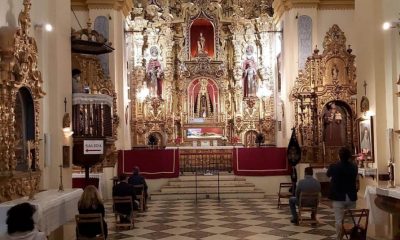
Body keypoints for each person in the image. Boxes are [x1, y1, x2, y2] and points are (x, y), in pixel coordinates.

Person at [327, 147, 358, 240]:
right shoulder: (354, 167)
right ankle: (352, 237)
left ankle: (339, 238)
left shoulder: (334, 166)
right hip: (351, 196)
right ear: (349, 156)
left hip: (338, 196)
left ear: (339, 156)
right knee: (351, 219)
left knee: (339, 220)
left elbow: (328, 174)